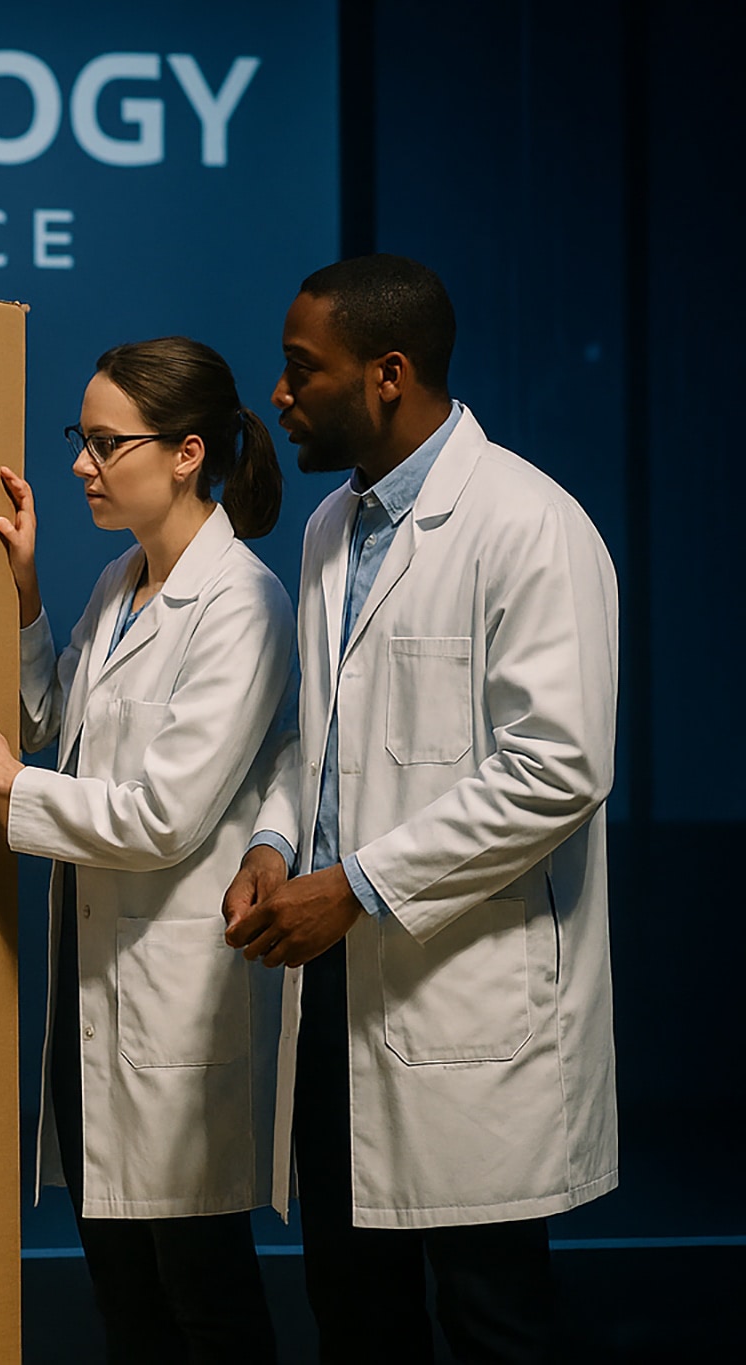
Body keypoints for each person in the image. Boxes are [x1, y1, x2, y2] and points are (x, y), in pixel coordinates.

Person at [221, 255, 619, 1364]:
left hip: (463, 999)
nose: (280, 393)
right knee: (356, 1321)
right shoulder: (325, 535)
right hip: (338, 991)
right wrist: (269, 840)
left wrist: (351, 884)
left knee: (493, 1325)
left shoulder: (526, 525)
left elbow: (559, 767)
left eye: (304, 370)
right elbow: (324, 735)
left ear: (387, 374)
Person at [0, 338, 292, 1362]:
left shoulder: (240, 604)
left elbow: (163, 816)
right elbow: (49, 722)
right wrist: (29, 592)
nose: (80, 466)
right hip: (95, 1009)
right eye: (77, 443)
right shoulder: (120, 583)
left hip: (172, 1004)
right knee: (128, 1303)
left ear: (183, 454)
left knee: (202, 1303)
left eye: (101, 444)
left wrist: (7, 783)